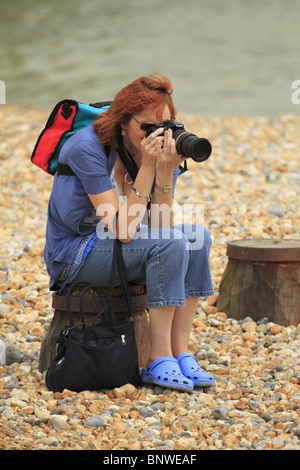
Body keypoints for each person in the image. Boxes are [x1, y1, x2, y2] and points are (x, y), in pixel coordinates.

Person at [44, 74, 215, 392]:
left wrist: (164, 171)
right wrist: (149, 167)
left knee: (196, 238)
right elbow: (123, 230)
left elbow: (161, 226)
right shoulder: (86, 148)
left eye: (163, 125)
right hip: (76, 251)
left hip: (122, 242)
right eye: (147, 127)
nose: (157, 135)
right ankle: (158, 357)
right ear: (123, 122)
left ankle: (180, 352)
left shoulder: (154, 148)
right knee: (173, 243)